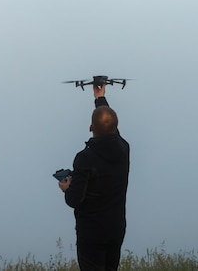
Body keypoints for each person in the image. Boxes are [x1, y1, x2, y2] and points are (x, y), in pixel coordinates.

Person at [58, 83, 130, 271]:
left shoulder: (85, 158)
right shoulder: (124, 149)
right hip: (116, 227)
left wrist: (66, 188)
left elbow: (75, 199)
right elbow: (112, 128)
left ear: (91, 127)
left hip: (92, 233)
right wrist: (100, 99)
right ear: (116, 128)